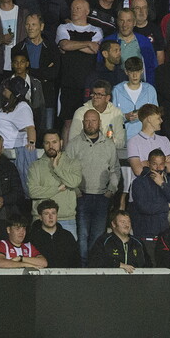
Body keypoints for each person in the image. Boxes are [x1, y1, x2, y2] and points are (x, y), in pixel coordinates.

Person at [66, 108, 121, 266]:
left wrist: (111, 190)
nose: (90, 124)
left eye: (93, 120)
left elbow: (115, 169)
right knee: (82, 237)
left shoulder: (108, 145)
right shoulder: (74, 144)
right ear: (83, 123)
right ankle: (83, 269)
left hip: (102, 197)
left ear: (99, 123)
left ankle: (94, 268)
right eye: (87, 120)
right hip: (81, 197)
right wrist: (75, 191)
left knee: (97, 237)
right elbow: (66, 170)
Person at [56, 0, 103, 134]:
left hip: (88, 83)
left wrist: (73, 45)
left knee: (89, 122)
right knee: (68, 123)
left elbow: (94, 49)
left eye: (78, 8)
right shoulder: (63, 27)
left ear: (87, 11)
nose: (74, 11)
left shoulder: (96, 30)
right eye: (72, 8)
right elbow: (64, 44)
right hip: (68, 83)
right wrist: (87, 43)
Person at [0, 76, 37, 189]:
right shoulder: (9, 105)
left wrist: (31, 143)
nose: (4, 88)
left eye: (7, 87)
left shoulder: (22, 107)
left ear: (13, 91)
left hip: (9, 154)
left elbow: (30, 128)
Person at [27, 131, 81, 237]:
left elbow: (74, 182)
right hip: (40, 220)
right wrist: (57, 188)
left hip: (66, 219)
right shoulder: (35, 166)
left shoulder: (72, 163)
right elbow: (32, 192)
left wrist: (56, 168)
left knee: (68, 253)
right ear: (43, 144)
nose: (51, 146)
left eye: (54, 142)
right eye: (47, 143)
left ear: (61, 142)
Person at [130, 149, 170, 246]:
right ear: (148, 164)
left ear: (165, 164)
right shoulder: (139, 183)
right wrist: (167, 205)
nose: (158, 168)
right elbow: (144, 207)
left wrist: (162, 184)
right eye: (154, 164)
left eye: (161, 164)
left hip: (168, 235)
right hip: (146, 235)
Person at [111, 56, 159, 141]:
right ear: (126, 72)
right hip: (124, 141)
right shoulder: (117, 91)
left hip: (147, 140)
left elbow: (156, 116)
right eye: (131, 72)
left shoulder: (150, 90)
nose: (135, 75)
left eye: (137, 71)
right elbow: (111, 117)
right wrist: (125, 117)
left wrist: (142, 115)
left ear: (142, 71)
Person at [26, 199, 80, 268]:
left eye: (53, 213)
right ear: (40, 217)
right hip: (40, 276)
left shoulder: (67, 236)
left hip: (65, 277)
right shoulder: (32, 237)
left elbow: (76, 260)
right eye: (46, 214)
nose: (51, 217)